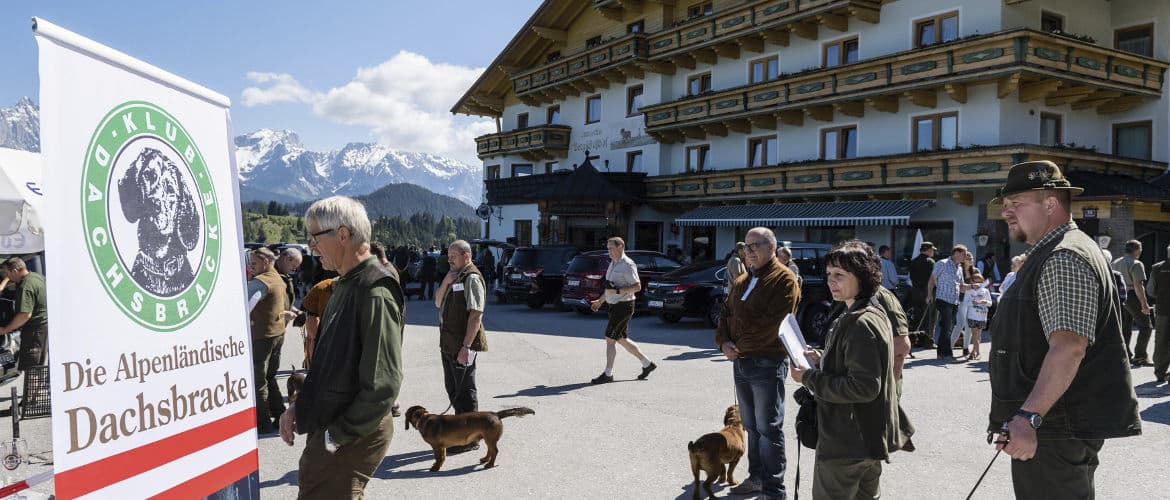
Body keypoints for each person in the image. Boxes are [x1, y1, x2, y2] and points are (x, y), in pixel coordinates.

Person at [989, 161, 1140, 499]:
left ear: (1051, 204)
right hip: (1053, 426)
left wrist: (1029, 417)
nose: (1006, 213)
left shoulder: (1063, 256)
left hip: (1055, 429)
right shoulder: (1056, 251)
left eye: (1017, 203)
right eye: (1005, 205)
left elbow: (1069, 347)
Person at [280, 196, 404, 499]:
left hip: (354, 428)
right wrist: (301, 404)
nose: (311, 246)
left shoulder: (374, 291)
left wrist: (336, 436)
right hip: (336, 420)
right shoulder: (345, 283)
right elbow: (330, 364)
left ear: (344, 235)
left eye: (315, 237)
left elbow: (383, 383)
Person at [790, 240, 913, 500]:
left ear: (861, 276)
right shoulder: (867, 312)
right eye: (829, 275)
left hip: (847, 444)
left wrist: (809, 377)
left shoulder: (861, 321)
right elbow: (860, 363)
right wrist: (823, 357)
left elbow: (865, 386)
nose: (831, 282)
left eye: (839, 275)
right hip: (864, 439)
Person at [715, 227, 800, 499]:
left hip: (767, 362)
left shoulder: (784, 279)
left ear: (771, 248)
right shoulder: (742, 279)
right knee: (751, 427)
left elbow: (775, 324)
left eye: (755, 246)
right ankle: (757, 478)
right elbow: (726, 311)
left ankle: (775, 491)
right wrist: (723, 341)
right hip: (741, 361)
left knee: (769, 428)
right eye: (746, 247)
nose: (748, 251)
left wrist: (738, 346)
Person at [434, 240, 490, 453]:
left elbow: (476, 314)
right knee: (454, 389)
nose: (449, 260)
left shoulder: (472, 277)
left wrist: (466, 346)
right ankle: (461, 435)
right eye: (448, 256)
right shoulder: (453, 276)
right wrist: (445, 282)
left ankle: (470, 439)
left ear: (466, 256)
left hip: (462, 345)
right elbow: (438, 302)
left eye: (453, 256)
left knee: (465, 391)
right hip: (449, 343)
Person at [589, 237, 657, 384]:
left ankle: (608, 374)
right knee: (621, 339)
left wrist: (619, 291)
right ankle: (647, 364)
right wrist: (600, 301)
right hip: (614, 306)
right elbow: (609, 288)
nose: (609, 251)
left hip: (624, 306)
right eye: (608, 249)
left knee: (610, 339)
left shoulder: (627, 264)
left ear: (620, 247)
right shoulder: (613, 263)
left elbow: (637, 286)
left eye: (611, 248)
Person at [246, 247, 288, 433]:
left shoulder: (260, 283)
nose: (251, 266)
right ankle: (279, 414)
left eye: (254, 263)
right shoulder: (277, 277)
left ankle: (263, 424)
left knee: (259, 381)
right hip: (277, 334)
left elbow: (244, 308)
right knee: (270, 377)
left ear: (265, 261)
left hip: (262, 337)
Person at [0, 257, 47, 374]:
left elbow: (25, 315)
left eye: (6, 273)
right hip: (41, 330)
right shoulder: (35, 277)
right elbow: (11, 278)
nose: (6, 276)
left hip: (34, 332)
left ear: (15, 271)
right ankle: (33, 390)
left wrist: (5, 330)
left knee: (32, 370)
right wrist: (3, 284)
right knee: (36, 367)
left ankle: (32, 392)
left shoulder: (25, 286)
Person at [1112, 240, 1153, 365]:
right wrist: (1144, 305)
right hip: (1132, 295)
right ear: (1136, 250)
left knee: (1125, 327)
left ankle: (1124, 354)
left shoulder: (1115, 262)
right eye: (1140, 249)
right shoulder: (1136, 263)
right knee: (1146, 326)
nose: (1141, 251)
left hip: (1119, 295)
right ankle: (1140, 356)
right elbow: (1138, 285)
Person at [927, 245, 967, 360]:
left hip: (954, 301)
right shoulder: (942, 263)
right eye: (964, 253)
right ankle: (945, 353)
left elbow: (962, 286)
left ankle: (943, 352)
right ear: (956, 253)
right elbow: (932, 279)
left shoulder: (959, 267)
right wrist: (929, 294)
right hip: (943, 299)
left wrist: (974, 287)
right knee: (947, 326)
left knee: (949, 326)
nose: (965, 256)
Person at [1146, 245, 1170, 383]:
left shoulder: (1157, 268)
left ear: (1167, 254)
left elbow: (1150, 290)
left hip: (1162, 310)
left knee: (1161, 342)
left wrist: (1161, 296)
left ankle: (1160, 372)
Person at [907, 242, 936, 344]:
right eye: (932, 250)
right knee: (929, 318)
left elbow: (911, 277)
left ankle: (914, 340)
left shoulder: (913, 261)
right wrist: (930, 293)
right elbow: (933, 279)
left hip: (915, 291)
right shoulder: (930, 262)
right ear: (928, 250)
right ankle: (927, 341)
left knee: (917, 316)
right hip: (927, 291)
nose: (933, 252)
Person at [961, 272, 992, 361]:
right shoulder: (969, 291)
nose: (978, 284)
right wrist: (973, 302)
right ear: (972, 282)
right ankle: (977, 353)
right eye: (976, 282)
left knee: (978, 336)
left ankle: (973, 352)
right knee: (974, 334)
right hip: (972, 316)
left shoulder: (985, 291)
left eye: (980, 282)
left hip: (982, 316)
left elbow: (990, 303)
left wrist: (984, 302)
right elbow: (966, 302)